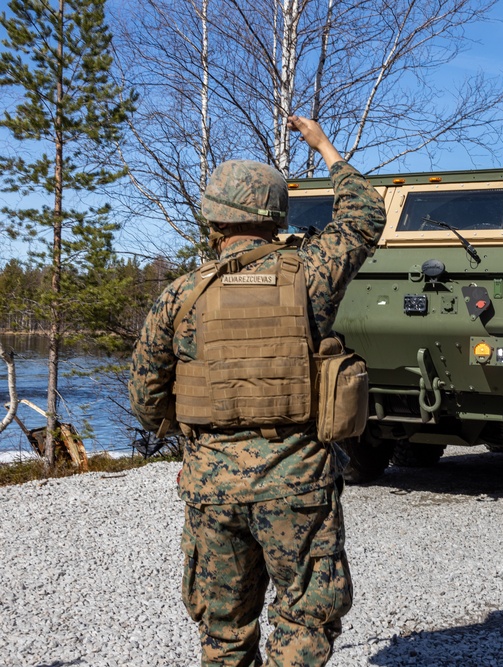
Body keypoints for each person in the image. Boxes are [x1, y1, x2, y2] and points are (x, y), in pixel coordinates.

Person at [129, 116, 385, 666]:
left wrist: (197, 442)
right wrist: (323, 147)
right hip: (297, 481)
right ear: (275, 216)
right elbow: (365, 216)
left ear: (213, 219)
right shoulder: (312, 274)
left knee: (222, 629)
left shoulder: (180, 296)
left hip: (210, 487)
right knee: (304, 618)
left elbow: (146, 396)